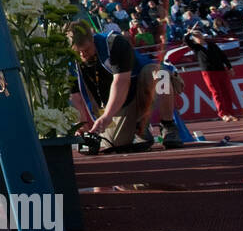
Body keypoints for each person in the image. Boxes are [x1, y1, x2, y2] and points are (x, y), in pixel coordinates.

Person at [66, 19, 183, 150]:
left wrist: (107, 116)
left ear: (92, 38)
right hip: (115, 103)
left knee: (161, 74)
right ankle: (138, 128)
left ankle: (168, 125)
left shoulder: (114, 43)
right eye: (78, 52)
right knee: (113, 144)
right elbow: (75, 97)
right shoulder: (70, 59)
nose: (82, 54)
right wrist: (81, 126)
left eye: (86, 49)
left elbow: (121, 82)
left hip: (137, 88)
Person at [184, 28, 241, 121]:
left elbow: (222, 56)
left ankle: (231, 113)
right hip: (208, 71)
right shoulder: (196, 47)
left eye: (199, 34)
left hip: (220, 70)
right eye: (196, 36)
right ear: (194, 38)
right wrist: (188, 33)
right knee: (216, 92)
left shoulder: (212, 45)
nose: (198, 36)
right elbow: (186, 40)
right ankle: (223, 114)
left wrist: (229, 67)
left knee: (226, 91)